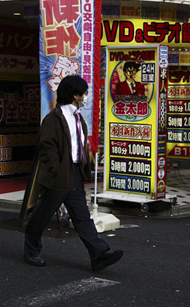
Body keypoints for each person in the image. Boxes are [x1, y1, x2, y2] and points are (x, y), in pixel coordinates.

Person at [24, 75, 123, 271]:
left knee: (82, 216)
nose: (85, 96)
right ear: (74, 95)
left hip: (75, 174)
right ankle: (32, 251)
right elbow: (47, 147)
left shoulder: (78, 117)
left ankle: (98, 255)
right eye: (84, 93)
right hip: (58, 176)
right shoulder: (54, 118)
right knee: (42, 216)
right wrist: (56, 169)